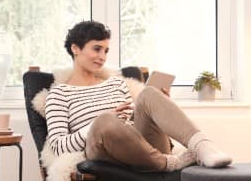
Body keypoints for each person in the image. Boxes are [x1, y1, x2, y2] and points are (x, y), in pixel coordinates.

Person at [44, 20, 231, 172]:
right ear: (75, 49)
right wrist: (99, 122)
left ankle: (203, 147)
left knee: (149, 93)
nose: (103, 56)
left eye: (106, 50)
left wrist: (160, 105)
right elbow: (59, 147)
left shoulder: (116, 83)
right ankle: (169, 163)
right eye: (97, 48)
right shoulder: (58, 94)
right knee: (105, 120)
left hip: (141, 146)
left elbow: (133, 122)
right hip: (103, 153)